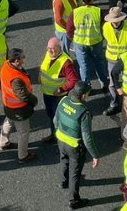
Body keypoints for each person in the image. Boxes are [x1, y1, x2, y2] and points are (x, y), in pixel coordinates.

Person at [54, 81, 101, 210]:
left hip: (61, 140)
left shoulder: (63, 100)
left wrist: (61, 133)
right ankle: (73, 201)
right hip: (74, 146)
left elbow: (55, 120)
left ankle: (63, 182)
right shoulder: (83, 112)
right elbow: (87, 138)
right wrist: (95, 155)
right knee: (75, 173)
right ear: (84, 95)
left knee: (63, 160)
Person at [0, 48, 38, 163]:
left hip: (8, 105)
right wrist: (34, 100)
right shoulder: (15, 79)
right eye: (22, 57)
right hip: (18, 109)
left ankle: (3, 142)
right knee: (24, 132)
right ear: (16, 61)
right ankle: (23, 155)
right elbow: (24, 96)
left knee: (8, 122)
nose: (24, 59)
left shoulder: (6, 65)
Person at [71, 0, 109, 87]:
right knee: (99, 63)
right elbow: (104, 26)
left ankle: (86, 86)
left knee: (83, 66)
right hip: (96, 42)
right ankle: (104, 82)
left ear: (82, 0)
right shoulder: (98, 11)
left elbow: (69, 28)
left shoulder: (75, 12)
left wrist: (73, 38)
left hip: (79, 43)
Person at [104, 5, 127, 117]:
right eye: (113, 21)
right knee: (112, 84)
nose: (115, 23)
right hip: (112, 59)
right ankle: (114, 104)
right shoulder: (106, 27)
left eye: (117, 20)